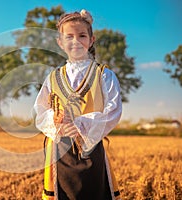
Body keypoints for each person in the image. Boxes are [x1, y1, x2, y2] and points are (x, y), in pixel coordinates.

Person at [34, 9, 122, 200]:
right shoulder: (52, 77)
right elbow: (40, 111)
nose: (75, 41)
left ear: (91, 40)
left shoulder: (104, 75)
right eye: (69, 36)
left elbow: (113, 111)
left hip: (91, 150)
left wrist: (80, 124)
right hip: (59, 152)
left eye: (82, 35)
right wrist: (54, 119)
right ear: (60, 42)